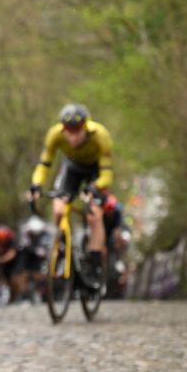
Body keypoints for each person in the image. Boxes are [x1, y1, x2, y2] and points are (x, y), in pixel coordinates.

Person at [27, 103, 114, 289]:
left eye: (77, 130)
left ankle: (96, 265)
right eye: (69, 131)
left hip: (96, 171)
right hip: (72, 168)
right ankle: (62, 249)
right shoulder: (55, 135)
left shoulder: (100, 135)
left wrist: (95, 187)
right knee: (58, 209)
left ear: (85, 127)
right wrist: (36, 185)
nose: (73, 136)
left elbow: (107, 173)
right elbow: (44, 165)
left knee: (94, 215)